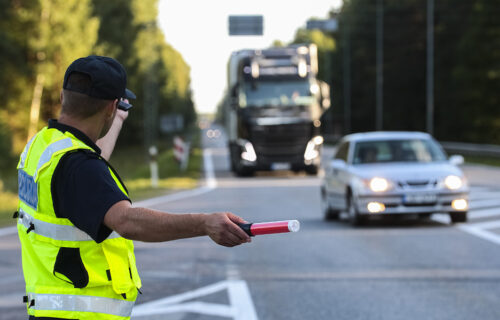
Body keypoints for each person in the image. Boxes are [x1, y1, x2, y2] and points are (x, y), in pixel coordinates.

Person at [16, 55, 251, 320]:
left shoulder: (43, 147)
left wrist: (116, 120)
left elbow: (89, 178)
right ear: (111, 106)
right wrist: (205, 223)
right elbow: (126, 221)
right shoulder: (79, 167)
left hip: (51, 308)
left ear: (62, 97)